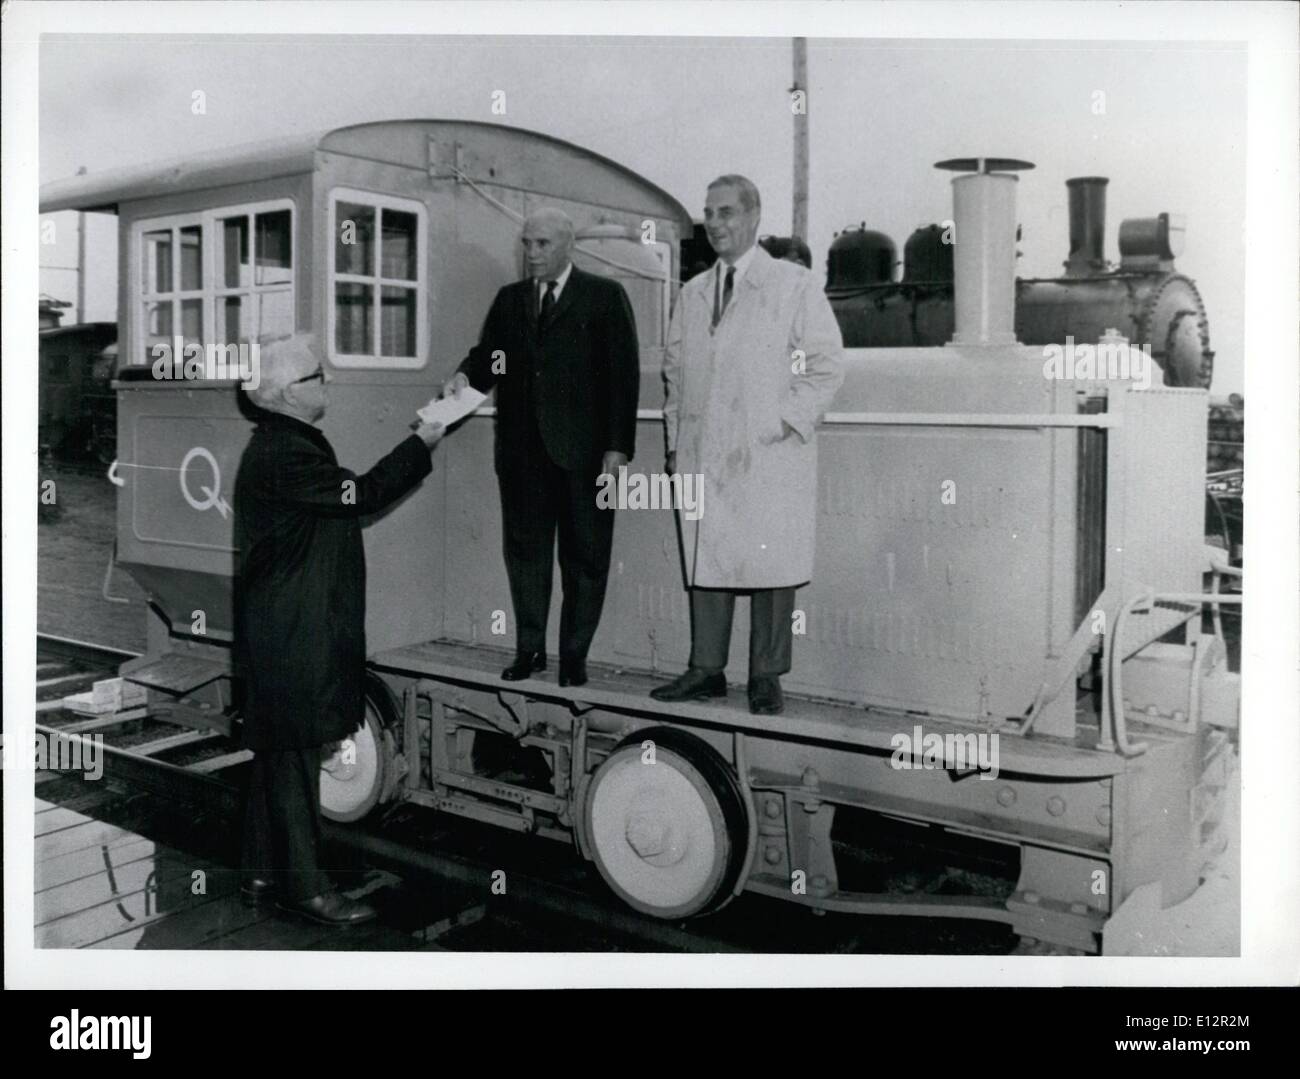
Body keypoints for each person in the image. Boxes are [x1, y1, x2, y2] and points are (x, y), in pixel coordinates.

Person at [234, 333, 443, 926]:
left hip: (279, 625)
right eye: (315, 376)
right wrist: (422, 441)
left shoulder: (281, 444)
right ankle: (306, 890)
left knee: (277, 753)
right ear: (281, 394)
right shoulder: (288, 453)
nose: (327, 381)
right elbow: (364, 494)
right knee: (296, 755)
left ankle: (256, 875)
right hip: (292, 630)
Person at [652, 176, 844, 715]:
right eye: (709, 213)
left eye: (728, 212)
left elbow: (825, 366)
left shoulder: (793, 285)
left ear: (755, 217)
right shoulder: (691, 294)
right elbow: (675, 374)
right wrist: (674, 445)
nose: (715, 223)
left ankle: (766, 675)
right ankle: (706, 668)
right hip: (702, 449)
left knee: (770, 562)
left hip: (768, 450)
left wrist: (784, 422)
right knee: (707, 556)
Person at [442, 207, 640, 688]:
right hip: (522, 456)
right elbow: (492, 359)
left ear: (567, 245)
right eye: (527, 243)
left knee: (586, 557)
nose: (531, 253)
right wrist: (465, 376)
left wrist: (617, 451)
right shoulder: (510, 301)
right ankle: (529, 649)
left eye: (542, 244)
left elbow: (623, 377)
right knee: (526, 554)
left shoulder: (605, 296)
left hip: (587, 457)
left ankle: (574, 658)